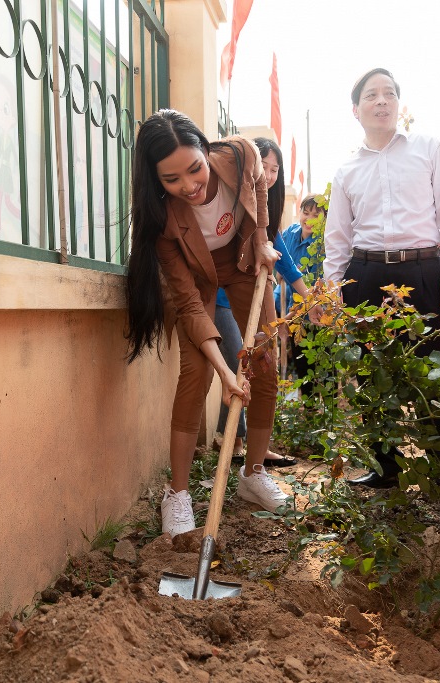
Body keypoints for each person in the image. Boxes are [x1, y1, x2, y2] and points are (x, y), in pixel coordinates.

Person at [124, 110, 288, 538]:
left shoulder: (239, 154)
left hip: (241, 264)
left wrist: (261, 239)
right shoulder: (163, 222)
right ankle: (177, 494)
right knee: (196, 373)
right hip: (197, 281)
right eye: (172, 179)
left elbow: (258, 188)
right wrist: (224, 371)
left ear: (206, 150)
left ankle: (253, 476)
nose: (189, 186)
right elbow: (192, 309)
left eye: (194, 169)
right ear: (156, 181)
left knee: (265, 362)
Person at [323, 67, 440, 489]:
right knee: (371, 370)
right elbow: (338, 239)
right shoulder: (347, 169)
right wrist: (334, 290)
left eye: (389, 93)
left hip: (423, 271)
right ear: (356, 109)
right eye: (372, 95)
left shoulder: (428, 149)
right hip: (366, 274)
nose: (381, 101)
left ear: (398, 105)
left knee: (435, 366)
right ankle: (385, 468)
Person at [213, 137, 303, 469]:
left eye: (275, 169)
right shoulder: (231, 199)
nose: (268, 174)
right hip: (219, 301)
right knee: (237, 365)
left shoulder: (266, 217)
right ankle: (233, 441)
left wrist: (309, 297)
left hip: (249, 300)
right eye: (262, 166)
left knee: (257, 365)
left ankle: (250, 451)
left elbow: (285, 261)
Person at [278, 194, 325, 390]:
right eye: (306, 213)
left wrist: (288, 318)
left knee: (324, 374)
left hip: (320, 318)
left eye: (316, 215)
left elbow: (316, 291)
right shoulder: (290, 234)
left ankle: (324, 417)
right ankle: (309, 414)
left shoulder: (323, 245)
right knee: (304, 373)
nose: (309, 219)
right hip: (294, 318)